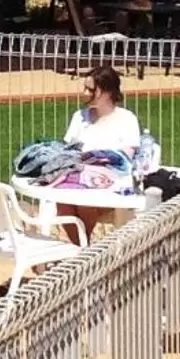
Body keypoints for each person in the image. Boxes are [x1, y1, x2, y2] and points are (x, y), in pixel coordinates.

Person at [58, 64, 144, 239]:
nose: (85, 93)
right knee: (62, 202)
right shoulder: (80, 117)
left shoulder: (126, 119)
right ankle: (81, 250)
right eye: (85, 88)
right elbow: (67, 150)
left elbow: (125, 159)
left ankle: (80, 251)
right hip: (80, 179)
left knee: (84, 201)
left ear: (107, 92)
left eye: (91, 89)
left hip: (113, 183)